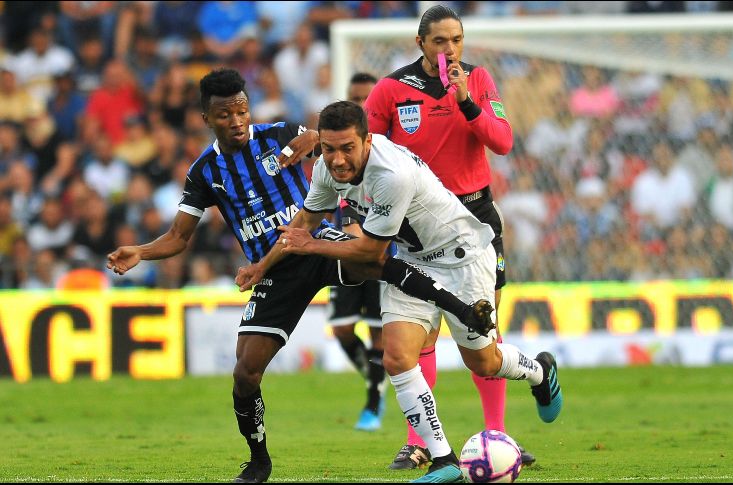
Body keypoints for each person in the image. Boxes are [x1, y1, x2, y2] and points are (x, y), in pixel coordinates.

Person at [106, 68, 494, 484]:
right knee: (245, 372)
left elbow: (323, 141)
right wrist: (141, 252)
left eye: (241, 111)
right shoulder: (205, 173)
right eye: (224, 116)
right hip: (275, 268)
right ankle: (258, 461)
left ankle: (463, 309)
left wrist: (309, 139)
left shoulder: (277, 135)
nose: (236, 122)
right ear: (206, 118)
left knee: (375, 259)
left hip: (314, 240)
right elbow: (179, 237)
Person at [278, 101, 563, 483]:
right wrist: (264, 264)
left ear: (367, 140)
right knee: (397, 357)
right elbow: (307, 220)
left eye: (347, 148)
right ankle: (444, 459)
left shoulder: (391, 173)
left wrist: (310, 245)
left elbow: (369, 251)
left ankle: (539, 372)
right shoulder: (327, 169)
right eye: (329, 149)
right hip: (413, 259)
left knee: (483, 362)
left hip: (462, 256)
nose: (338, 159)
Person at [363, 4, 538, 468]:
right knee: (416, 338)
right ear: (420, 44)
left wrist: (465, 100)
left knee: (484, 333)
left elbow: (502, 141)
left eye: (456, 40)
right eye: (439, 41)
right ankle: (419, 442)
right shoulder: (390, 91)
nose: (449, 50)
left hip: (475, 217)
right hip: (415, 226)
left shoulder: (477, 81)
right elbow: (365, 155)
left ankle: (496, 436)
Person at [327, 72, 387, 432]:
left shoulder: (385, 145)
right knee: (343, 329)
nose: (361, 103)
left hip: (382, 251)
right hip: (346, 249)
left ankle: (373, 402)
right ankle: (375, 379)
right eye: (355, 97)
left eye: (367, 97)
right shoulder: (339, 143)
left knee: (379, 332)